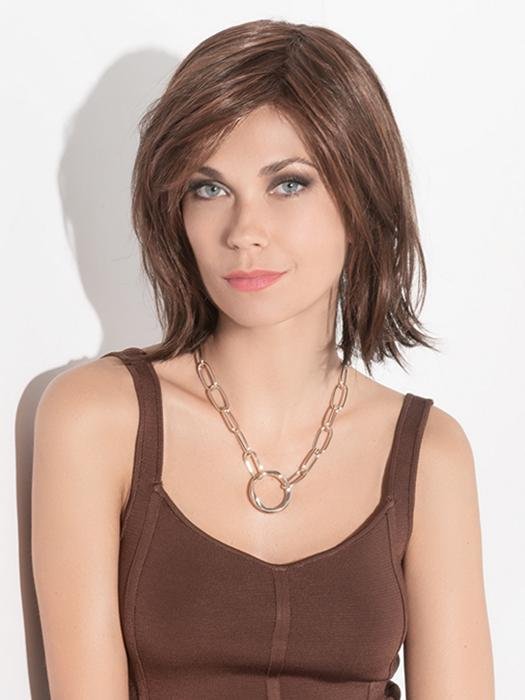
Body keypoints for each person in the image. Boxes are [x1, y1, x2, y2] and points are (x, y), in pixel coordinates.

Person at [31, 18, 495, 700]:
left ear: (361, 199)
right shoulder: (96, 420)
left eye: (288, 184)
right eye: (209, 188)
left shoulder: (430, 455)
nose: (244, 231)